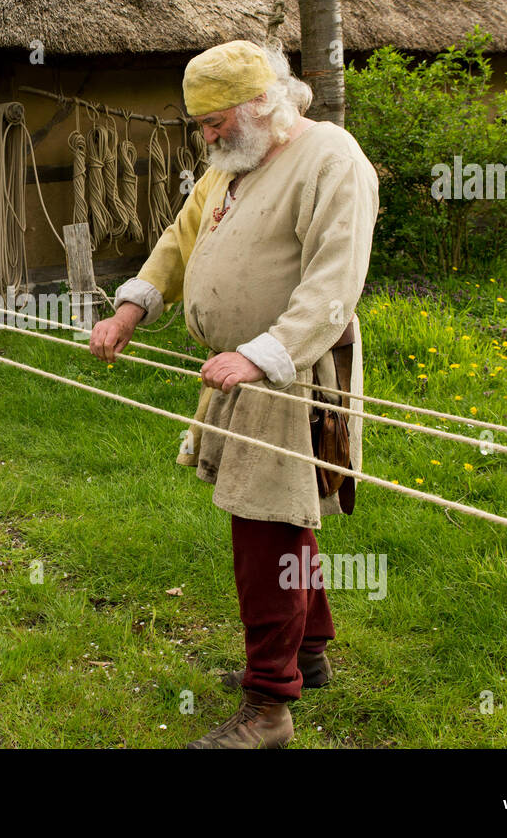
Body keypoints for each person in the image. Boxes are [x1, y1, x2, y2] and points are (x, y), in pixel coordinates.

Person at [90, 40, 379, 748]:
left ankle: (268, 708)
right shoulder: (233, 163)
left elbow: (334, 283)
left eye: (218, 119)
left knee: (264, 529)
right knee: (282, 517)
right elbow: (179, 239)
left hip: (293, 371)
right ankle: (308, 655)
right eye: (201, 124)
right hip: (241, 371)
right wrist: (130, 309)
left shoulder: (331, 158)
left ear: (264, 102)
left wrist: (262, 356)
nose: (209, 135)